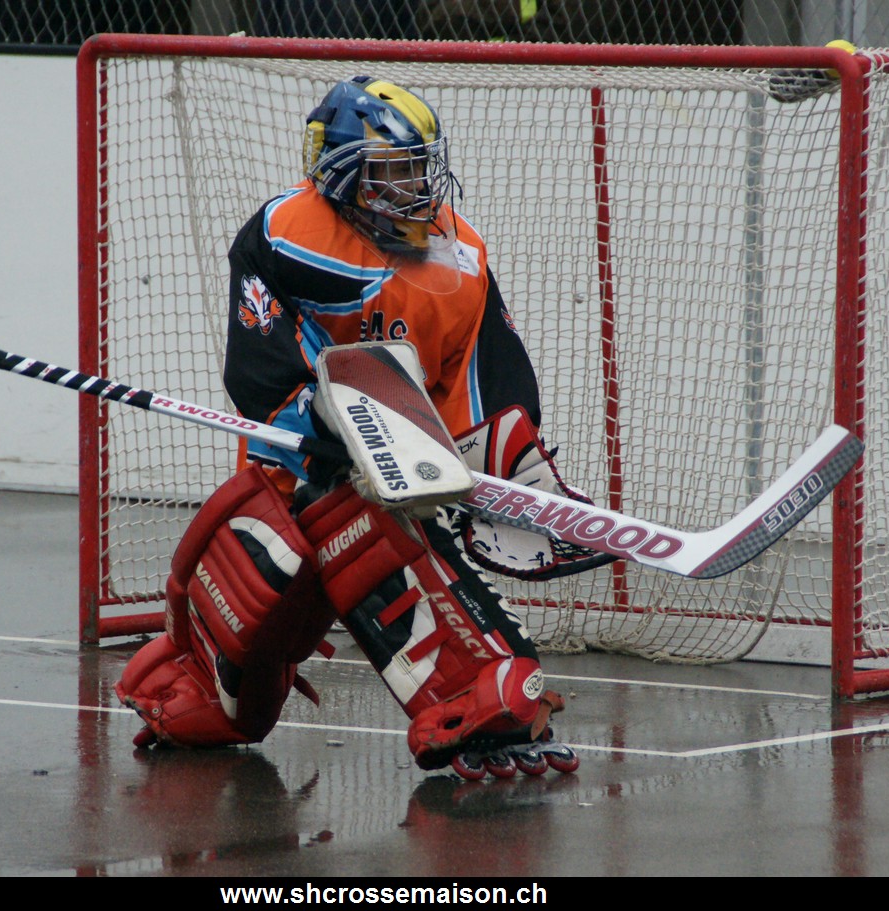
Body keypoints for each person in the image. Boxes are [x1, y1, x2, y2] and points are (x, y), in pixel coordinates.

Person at [115, 76, 591, 779]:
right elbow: (260, 366)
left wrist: (504, 465)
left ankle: (474, 697)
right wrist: (323, 427)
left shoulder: (462, 255)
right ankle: (195, 690)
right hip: (295, 471)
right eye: (392, 171)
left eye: (420, 168)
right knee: (236, 659)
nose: (415, 187)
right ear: (342, 176)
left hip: (402, 477)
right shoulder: (283, 235)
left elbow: (490, 379)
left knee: (377, 531)